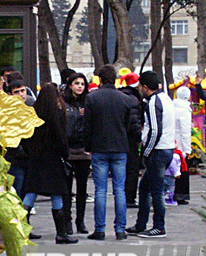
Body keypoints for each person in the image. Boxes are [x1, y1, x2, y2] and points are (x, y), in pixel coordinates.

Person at [21, 83, 78, 244]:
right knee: (57, 194)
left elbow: (26, 138)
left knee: (31, 193)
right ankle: (61, 233)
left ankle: (21, 228)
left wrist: (30, 153)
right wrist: (64, 154)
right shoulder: (56, 114)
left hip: (36, 159)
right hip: (53, 160)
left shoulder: (33, 113)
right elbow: (61, 139)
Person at [82, 65, 133, 241]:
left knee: (100, 190)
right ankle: (120, 229)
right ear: (116, 79)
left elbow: (87, 126)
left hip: (99, 147)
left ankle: (100, 229)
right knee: (120, 189)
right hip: (119, 147)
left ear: (100, 80)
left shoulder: (92, 98)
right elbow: (128, 125)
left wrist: (87, 146)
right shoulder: (125, 99)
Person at [126, 71, 176, 238]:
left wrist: (146, 151)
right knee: (145, 188)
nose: (139, 89)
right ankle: (141, 224)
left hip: (158, 150)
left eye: (140, 86)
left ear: (145, 87)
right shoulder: (166, 99)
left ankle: (158, 227)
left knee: (156, 190)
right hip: (166, 148)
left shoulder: (154, 103)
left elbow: (155, 130)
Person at [62, 72, 92, 235]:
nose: (80, 86)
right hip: (67, 150)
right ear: (70, 85)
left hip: (83, 150)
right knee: (66, 189)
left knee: (82, 188)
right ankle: (67, 221)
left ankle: (80, 221)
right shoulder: (63, 102)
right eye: (76, 83)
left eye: (82, 83)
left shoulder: (88, 102)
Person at [119, 72, 143, 208]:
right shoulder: (133, 99)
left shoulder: (121, 96)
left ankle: (121, 195)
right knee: (132, 169)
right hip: (131, 140)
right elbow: (134, 123)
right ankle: (129, 197)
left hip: (119, 138)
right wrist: (140, 136)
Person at [173, 85, 192, 204]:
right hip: (180, 145)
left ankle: (171, 193)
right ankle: (181, 194)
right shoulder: (185, 110)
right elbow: (185, 132)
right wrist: (187, 149)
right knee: (182, 170)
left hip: (171, 143)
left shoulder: (171, 107)